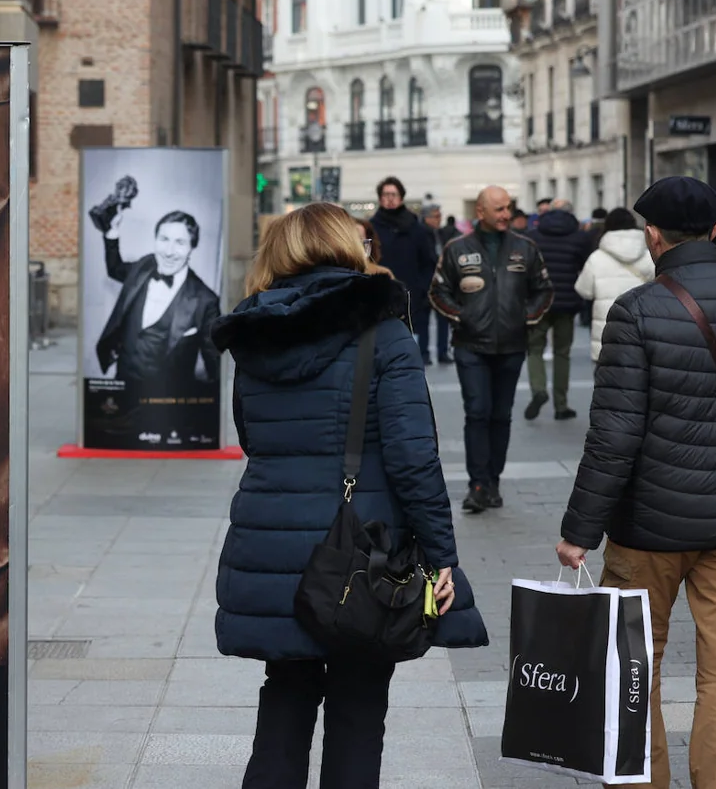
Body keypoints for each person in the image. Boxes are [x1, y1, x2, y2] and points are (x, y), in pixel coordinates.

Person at [211, 202, 485, 789]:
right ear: (348, 247)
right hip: (362, 548)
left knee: (285, 690)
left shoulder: (252, 331)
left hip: (270, 540)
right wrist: (443, 558)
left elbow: (252, 438)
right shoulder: (382, 333)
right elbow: (415, 458)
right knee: (359, 707)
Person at [557, 177, 716, 789]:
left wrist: (579, 531)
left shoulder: (637, 309)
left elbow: (614, 436)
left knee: (632, 668)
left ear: (652, 235)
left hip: (647, 531)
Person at [429, 186, 554, 513]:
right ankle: (477, 485)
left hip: (511, 346)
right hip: (470, 346)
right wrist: (462, 317)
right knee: (477, 412)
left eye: (508, 208)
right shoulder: (457, 249)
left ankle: (494, 481)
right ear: (480, 212)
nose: (505, 214)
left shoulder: (525, 248)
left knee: (500, 415)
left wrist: (525, 318)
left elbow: (544, 290)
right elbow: (438, 291)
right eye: (498, 209)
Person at [94, 208, 221, 392]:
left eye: (180, 242)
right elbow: (115, 269)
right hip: (124, 381)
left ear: (191, 247)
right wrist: (112, 232)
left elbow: (214, 362)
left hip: (167, 399)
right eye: (164, 239)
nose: (169, 252)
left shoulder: (205, 300)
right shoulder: (144, 266)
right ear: (155, 240)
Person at [524, 200, 596, 421]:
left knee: (535, 349)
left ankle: (538, 390)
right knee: (562, 353)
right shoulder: (579, 237)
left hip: (538, 301)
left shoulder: (534, 236)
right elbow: (586, 267)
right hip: (567, 302)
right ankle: (561, 405)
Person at [369, 177, 438, 363]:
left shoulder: (417, 229)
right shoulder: (371, 228)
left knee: (411, 356)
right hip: (380, 298)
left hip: (412, 298)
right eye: (385, 195)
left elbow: (429, 263)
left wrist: (422, 289)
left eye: (394, 194)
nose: (390, 199)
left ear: (401, 197)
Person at [574, 207, 654, 362]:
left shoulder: (597, 258)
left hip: (606, 330)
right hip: (642, 327)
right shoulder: (649, 256)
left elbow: (584, 291)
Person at [423, 204, 458, 363]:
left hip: (441, 283)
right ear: (427, 218)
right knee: (423, 320)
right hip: (425, 283)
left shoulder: (442, 233)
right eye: (436, 216)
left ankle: (442, 351)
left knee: (443, 319)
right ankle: (424, 352)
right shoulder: (421, 234)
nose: (439, 219)